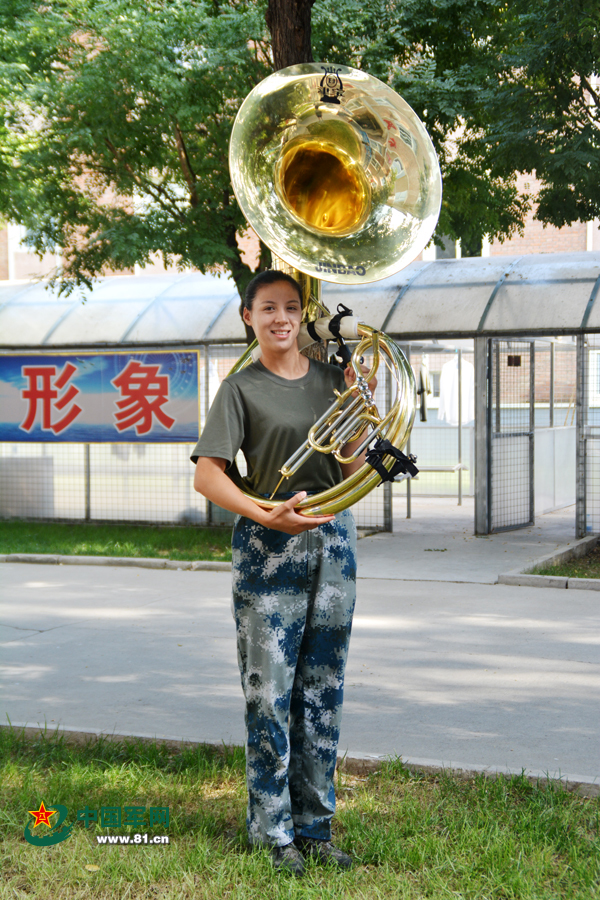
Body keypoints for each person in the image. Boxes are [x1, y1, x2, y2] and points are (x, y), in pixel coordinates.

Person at [191, 269, 375, 876]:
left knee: (322, 690)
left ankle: (315, 829)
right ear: (249, 316)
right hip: (269, 545)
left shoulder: (332, 379)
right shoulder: (240, 389)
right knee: (268, 693)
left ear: (303, 316)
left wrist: (361, 403)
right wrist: (262, 510)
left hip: (334, 539)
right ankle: (272, 833)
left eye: (291, 308)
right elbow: (209, 474)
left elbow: (353, 458)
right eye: (267, 308)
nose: (280, 318)